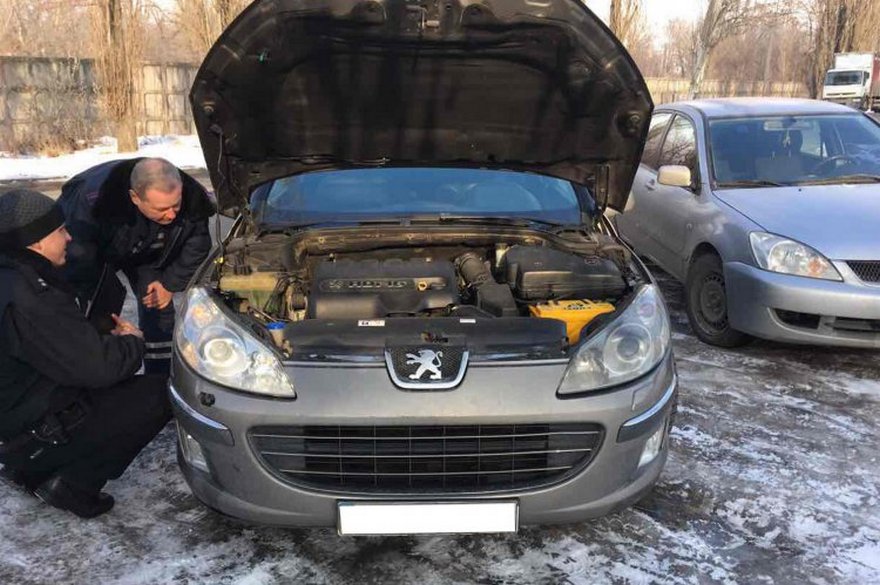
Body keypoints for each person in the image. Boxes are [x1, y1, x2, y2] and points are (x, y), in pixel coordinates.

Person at [0, 189, 171, 518]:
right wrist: (132, 341)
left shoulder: (13, 276)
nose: (68, 237)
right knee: (159, 394)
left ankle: (30, 462)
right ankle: (71, 483)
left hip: (14, 415)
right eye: (59, 230)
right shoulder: (33, 295)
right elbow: (99, 369)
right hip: (32, 431)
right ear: (36, 242)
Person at [59, 157, 214, 376]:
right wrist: (92, 296)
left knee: (157, 304)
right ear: (135, 197)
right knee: (97, 313)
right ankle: (99, 371)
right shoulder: (90, 201)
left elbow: (197, 244)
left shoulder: (192, 197)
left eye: (176, 205)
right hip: (93, 250)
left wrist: (169, 284)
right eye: (162, 208)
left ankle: (160, 376)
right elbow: (76, 256)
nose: (172, 214)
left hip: (145, 249)